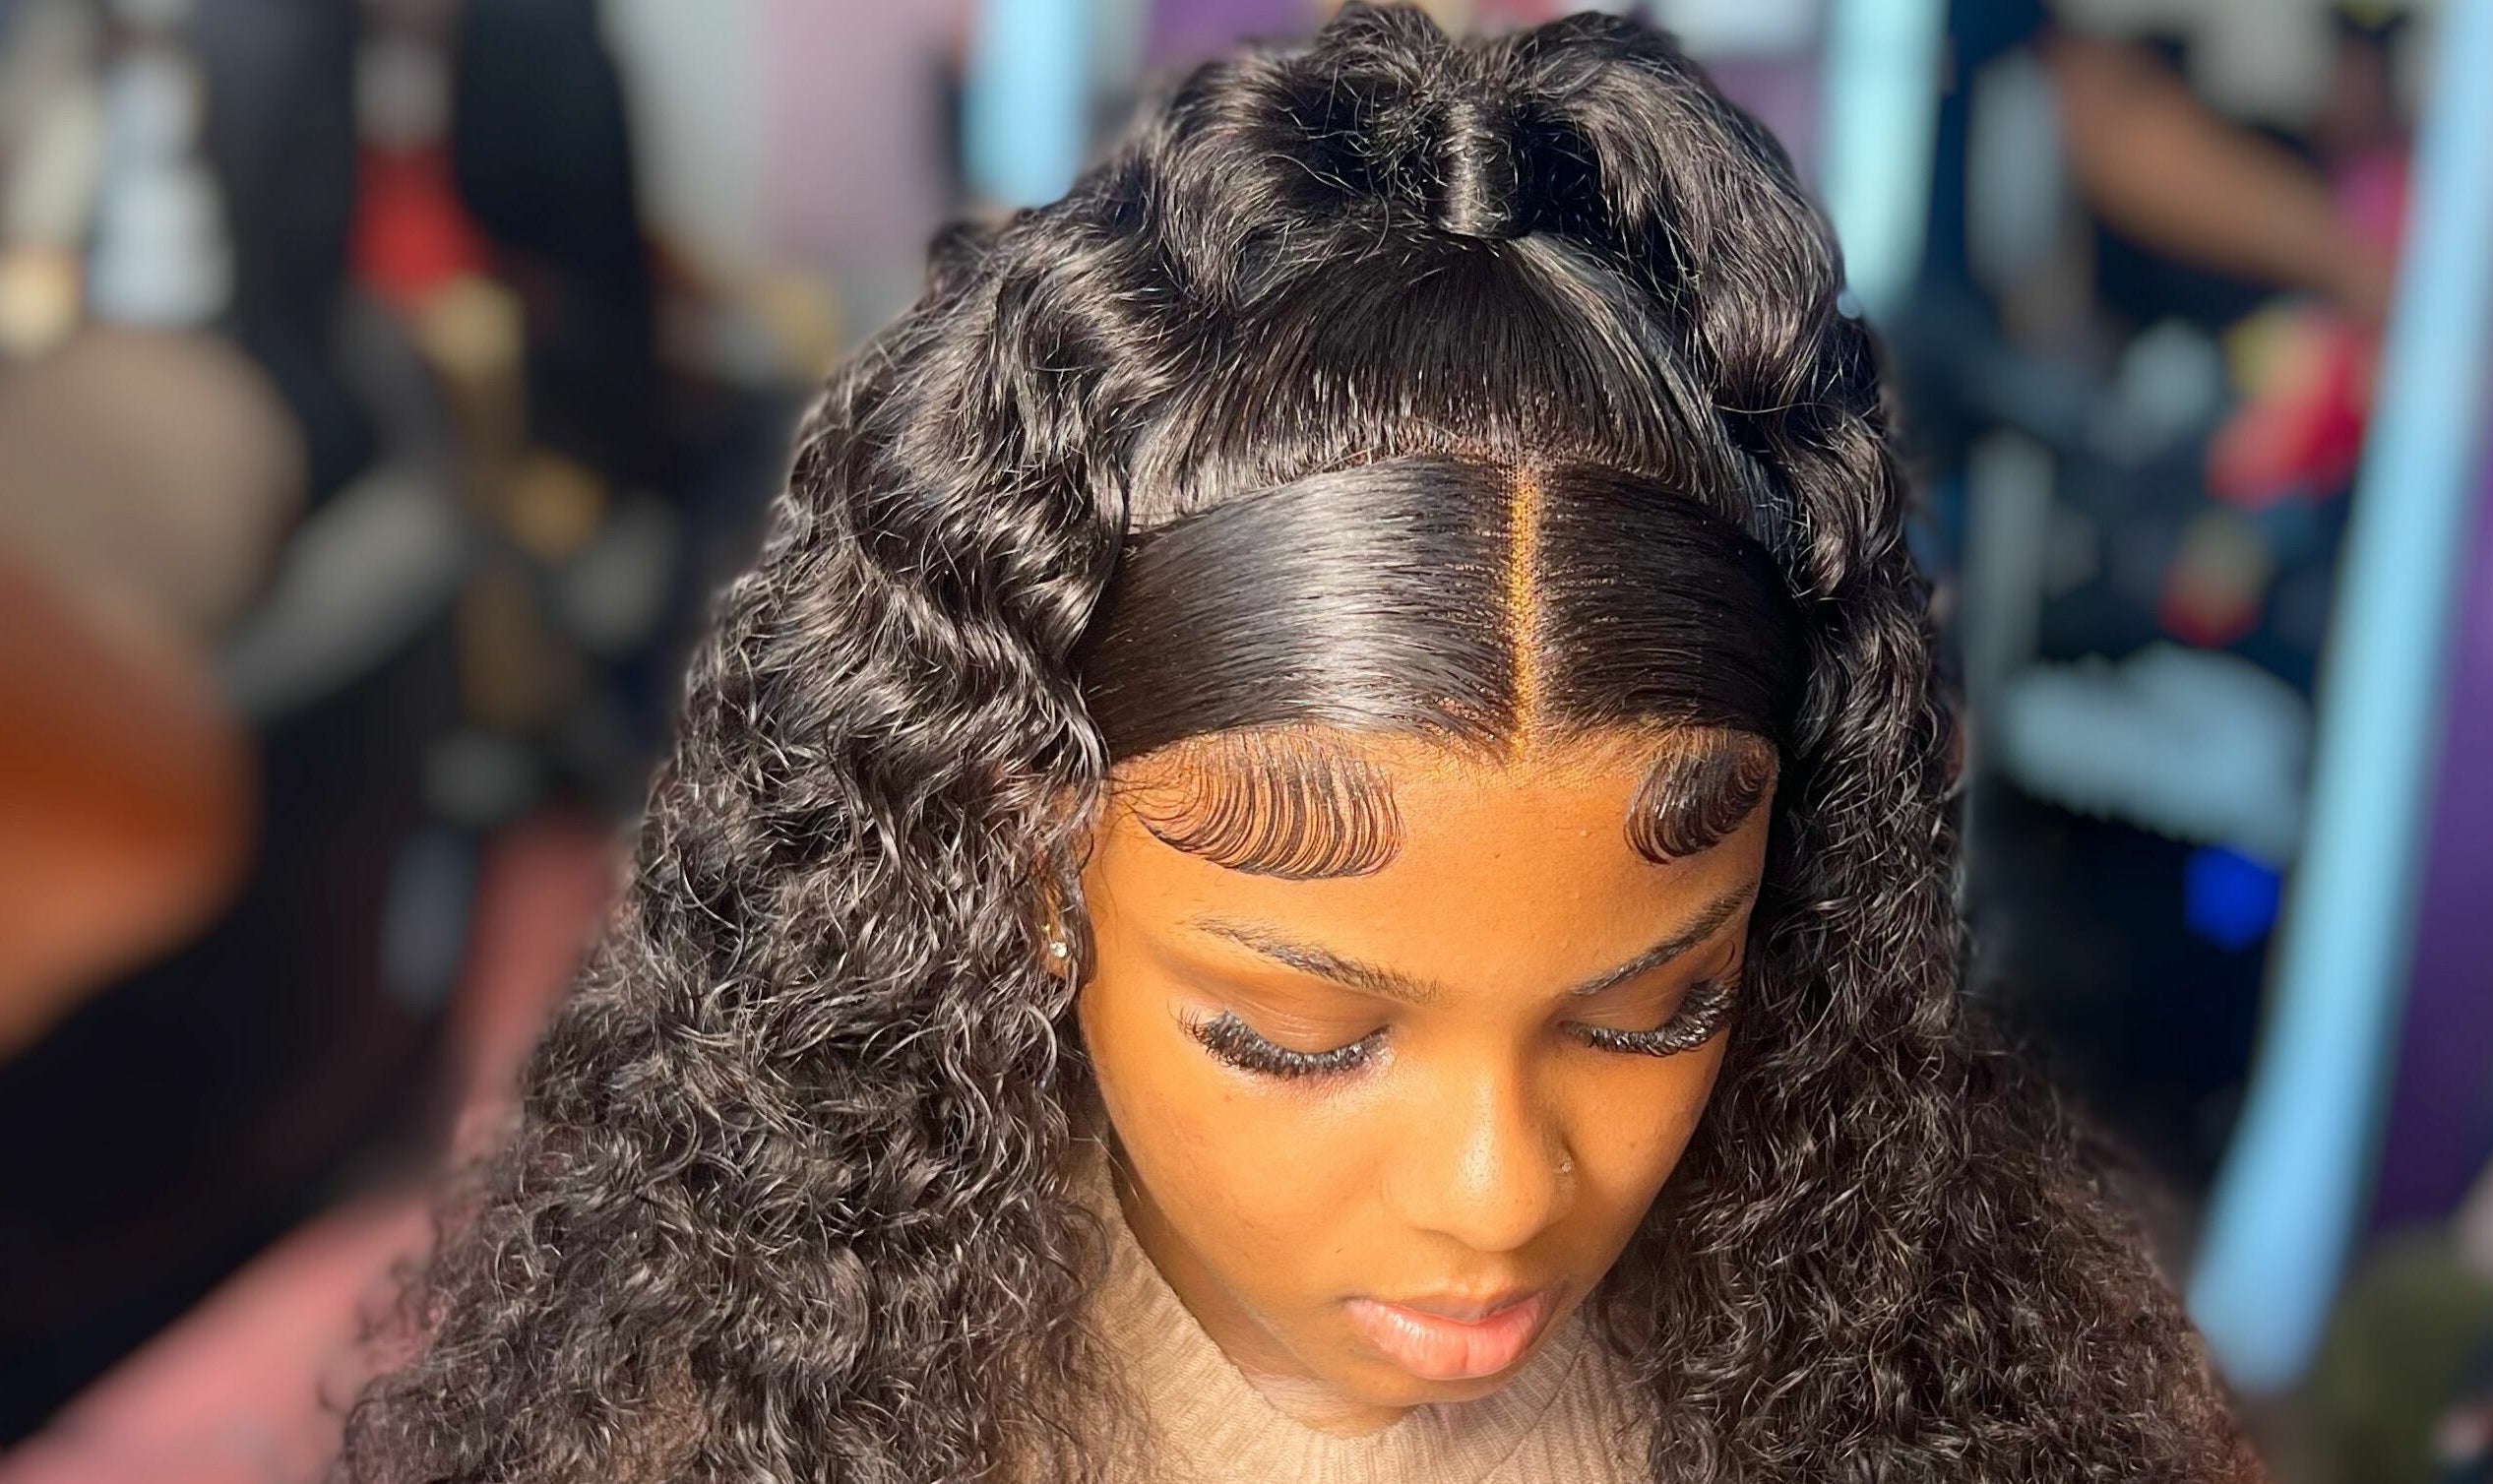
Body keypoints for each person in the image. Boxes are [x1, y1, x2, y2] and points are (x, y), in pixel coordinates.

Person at [334, 7, 2260, 1481]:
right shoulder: (745, 1425)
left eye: (1651, 1009)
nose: (1497, 1194)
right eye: (1300, 1036)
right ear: (1017, 858)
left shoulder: (1935, 1393)